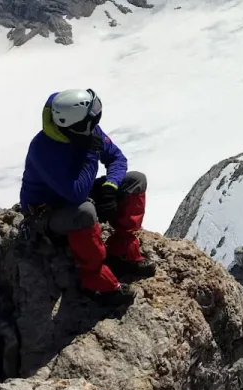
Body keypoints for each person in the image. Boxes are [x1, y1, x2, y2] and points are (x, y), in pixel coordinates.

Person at [19, 88, 156, 305]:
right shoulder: (44, 149)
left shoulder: (83, 130)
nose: (96, 125)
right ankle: (95, 281)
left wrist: (110, 187)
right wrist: (90, 153)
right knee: (85, 212)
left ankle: (122, 251)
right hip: (47, 212)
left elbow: (117, 159)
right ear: (77, 124)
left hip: (74, 194)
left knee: (136, 181)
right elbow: (76, 195)